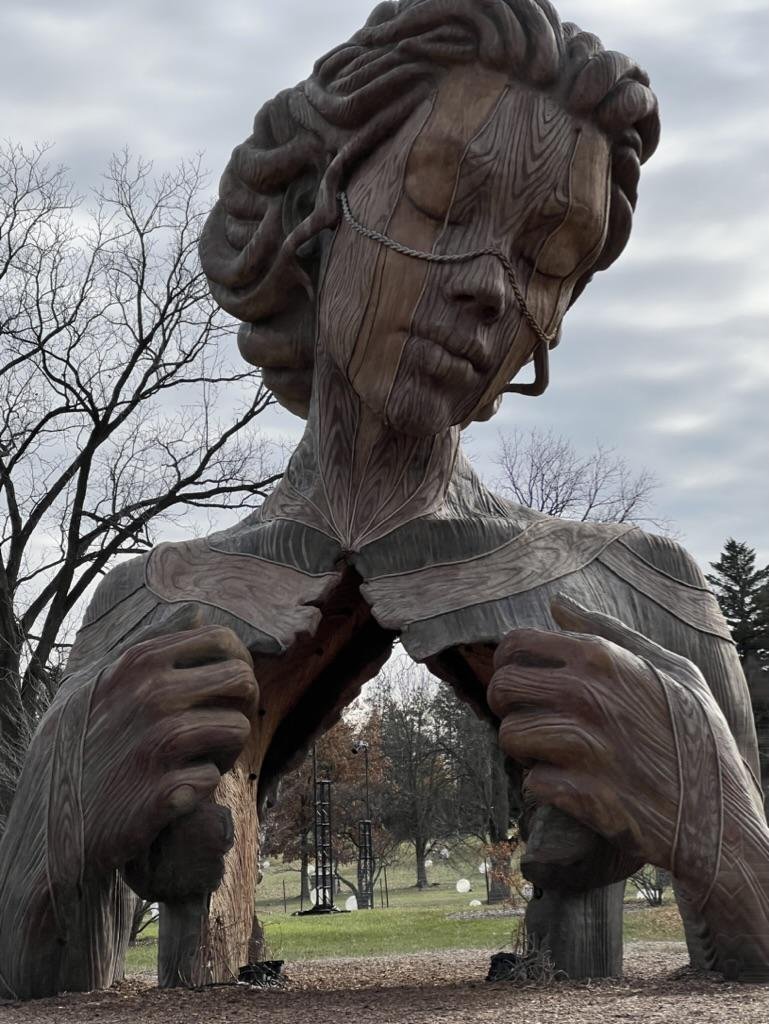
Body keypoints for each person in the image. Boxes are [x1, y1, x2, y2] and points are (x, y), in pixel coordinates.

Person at [1, 0, 766, 999]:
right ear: (315, 208)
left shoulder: (647, 592)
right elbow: (31, 978)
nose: (494, 288)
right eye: (444, 202)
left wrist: (714, 824)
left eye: (547, 260)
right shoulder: (144, 605)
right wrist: (53, 826)